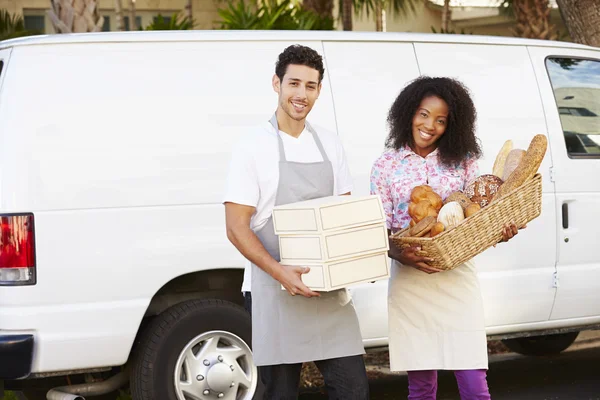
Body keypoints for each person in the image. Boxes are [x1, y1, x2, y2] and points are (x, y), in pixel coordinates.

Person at [223, 44, 369, 400]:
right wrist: (280, 272)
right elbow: (236, 225)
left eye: (311, 86)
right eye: (294, 83)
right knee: (281, 395)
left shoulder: (330, 144)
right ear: (277, 83)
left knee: (353, 390)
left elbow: (341, 216)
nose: (301, 94)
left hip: (328, 292)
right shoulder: (252, 146)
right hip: (273, 291)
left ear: (319, 90)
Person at [370, 76, 521, 400]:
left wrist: (500, 232)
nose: (430, 125)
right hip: (410, 281)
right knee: (421, 387)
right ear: (408, 112)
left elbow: (478, 218)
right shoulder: (385, 166)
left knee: (473, 383)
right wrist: (398, 253)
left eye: (441, 120)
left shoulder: (464, 161)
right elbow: (376, 228)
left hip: (457, 277)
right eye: (423, 114)